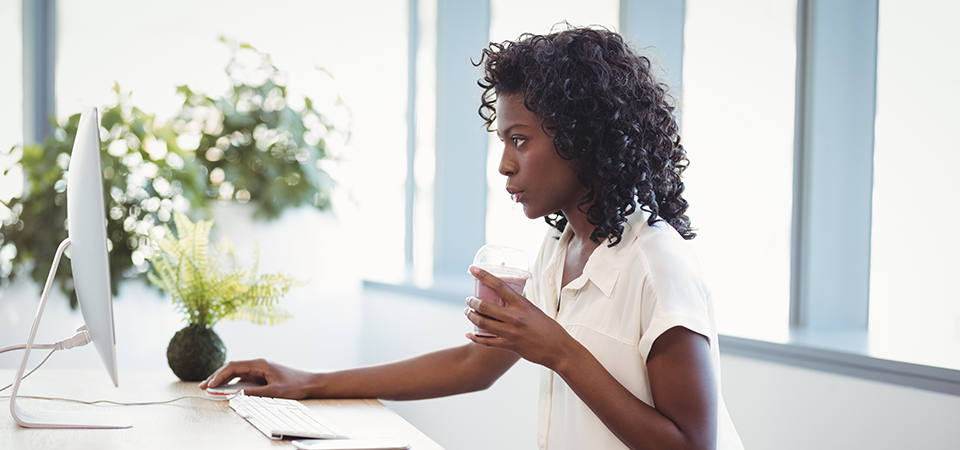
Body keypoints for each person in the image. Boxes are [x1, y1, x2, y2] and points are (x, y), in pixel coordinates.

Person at [201, 25, 743, 450]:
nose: (505, 165)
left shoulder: (656, 264)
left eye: (520, 140)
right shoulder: (558, 253)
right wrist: (309, 382)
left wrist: (559, 351)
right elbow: (473, 366)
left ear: (584, 138)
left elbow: (692, 445)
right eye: (502, 140)